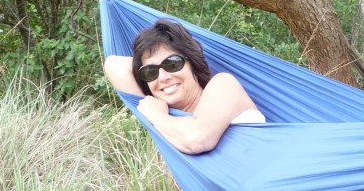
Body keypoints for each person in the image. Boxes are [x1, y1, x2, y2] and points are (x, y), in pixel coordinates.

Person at [103, 19, 265, 154]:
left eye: (172, 63)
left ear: (192, 63)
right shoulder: (172, 124)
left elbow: (197, 140)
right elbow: (113, 64)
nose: (163, 77)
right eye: (150, 71)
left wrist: (155, 115)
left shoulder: (224, 85)